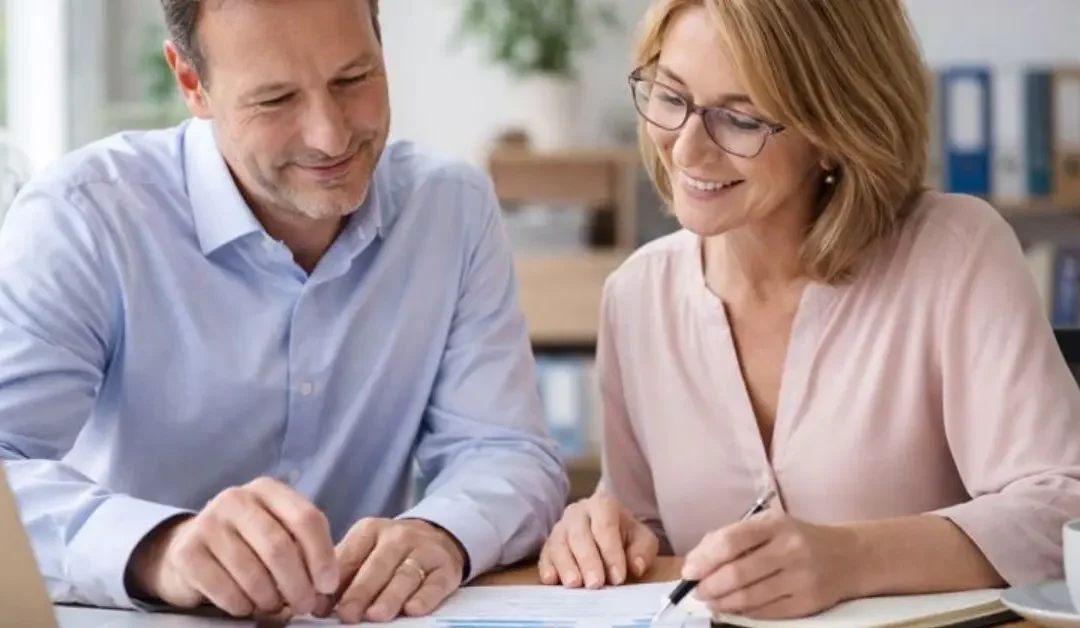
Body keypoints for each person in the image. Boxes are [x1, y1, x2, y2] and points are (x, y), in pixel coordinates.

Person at [0, 0, 568, 622]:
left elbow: (506, 449)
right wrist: (162, 547)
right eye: (275, 100)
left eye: (353, 79)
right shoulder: (84, 216)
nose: (330, 135)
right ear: (192, 83)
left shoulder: (449, 208)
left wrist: (442, 532)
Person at [538, 0, 1080, 619]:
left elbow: (1061, 505)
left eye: (739, 118)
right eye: (671, 95)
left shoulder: (954, 252)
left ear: (834, 130)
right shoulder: (637, 296)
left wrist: (853, 558)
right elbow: (645, 531)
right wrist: (599, 534)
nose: (687, 148)